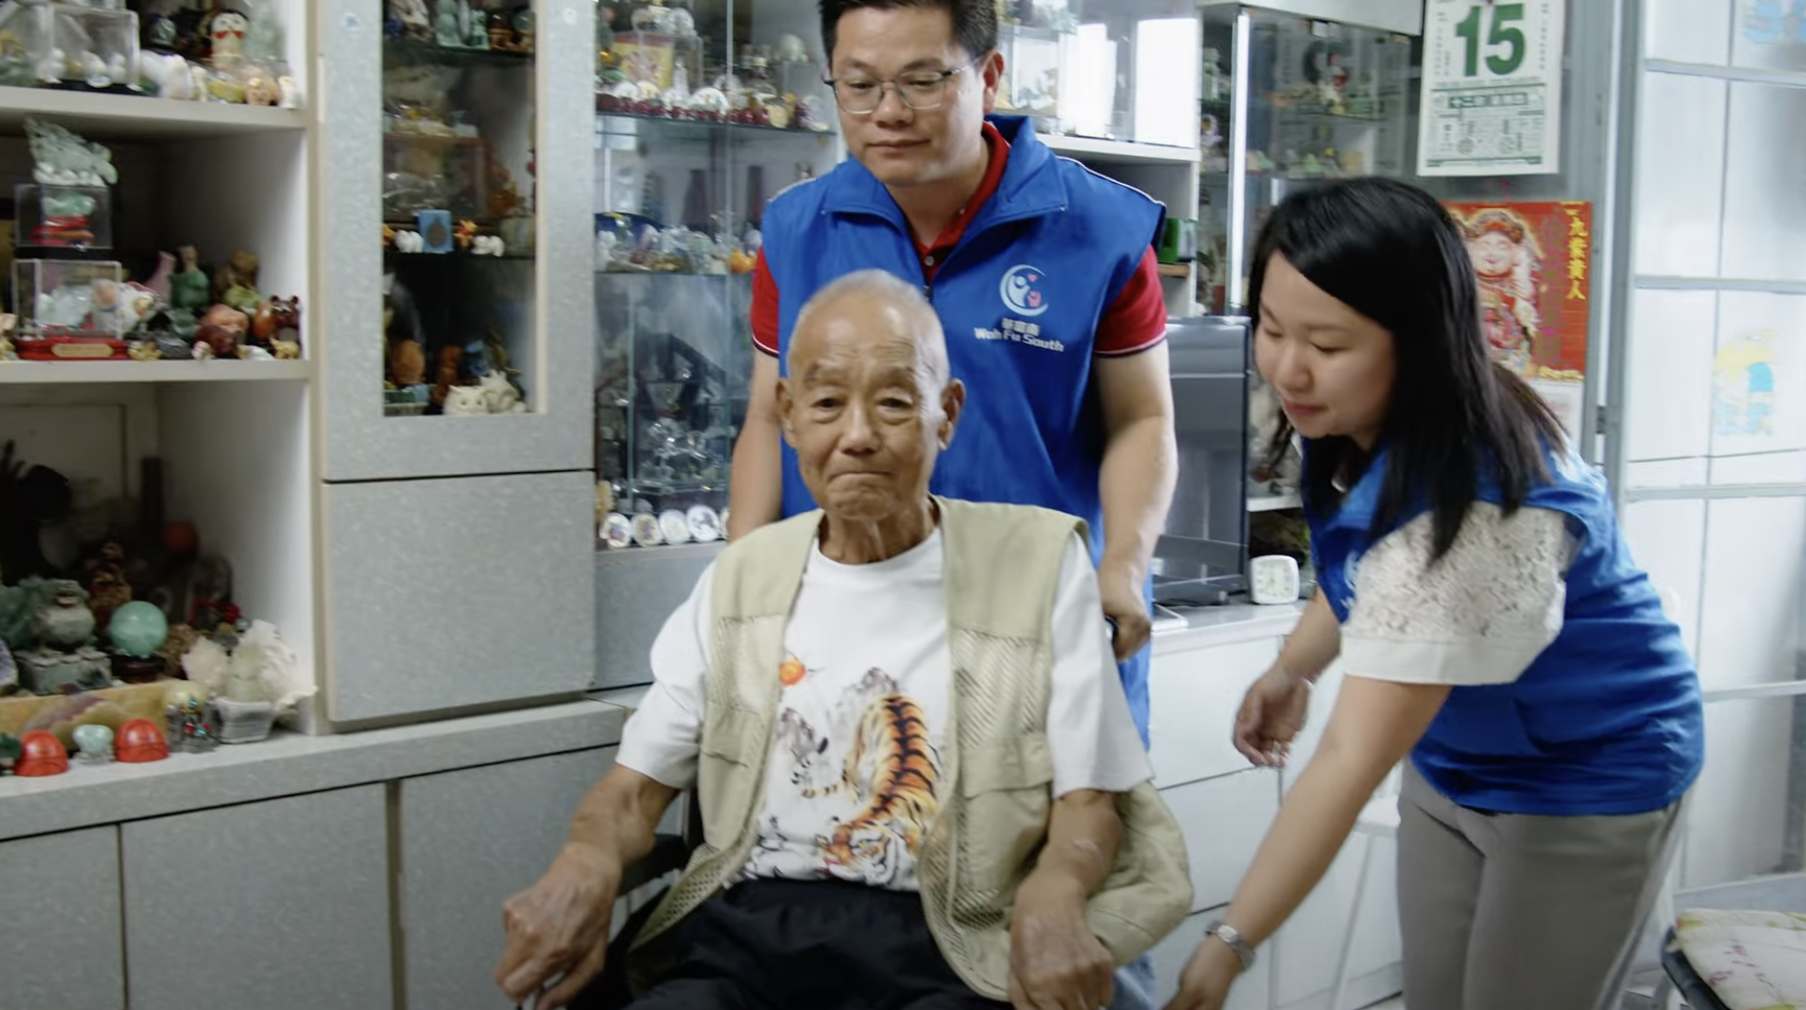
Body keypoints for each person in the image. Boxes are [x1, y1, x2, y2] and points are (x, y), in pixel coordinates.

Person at [497, 271, 1190, 1010]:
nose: (858, 436)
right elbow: (633, 792)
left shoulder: (1037, 565)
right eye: (827, 403)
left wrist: (1058, 886)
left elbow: (1090, 800)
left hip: (949, 944)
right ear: (789, 415)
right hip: (747, 942)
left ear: (946, 415)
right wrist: (586, 858)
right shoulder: (743, 579)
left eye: (894, 402)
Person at [1162, 178, 1705, 1010]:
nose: (1289, 368)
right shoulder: (1365, 419)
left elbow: (1350, 758)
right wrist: (1293, 669)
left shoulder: (1480, 508)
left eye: (1328, 344)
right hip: (1458, 762)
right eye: (1271, 329)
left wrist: (1230, 943)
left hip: (1586, 775)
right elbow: (1367, 564)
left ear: (1419, 343)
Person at [728, 0, 1178, 753]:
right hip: (845, 628)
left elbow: (1143, 419)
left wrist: (1124, 568)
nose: (888, 113)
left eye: (921, 81)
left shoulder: (1099, 230)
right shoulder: (798, 229)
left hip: (1039, 625)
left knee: (1062, 819)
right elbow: (770, 418)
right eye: (859, 85)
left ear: (989, 75)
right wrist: (742, 579)